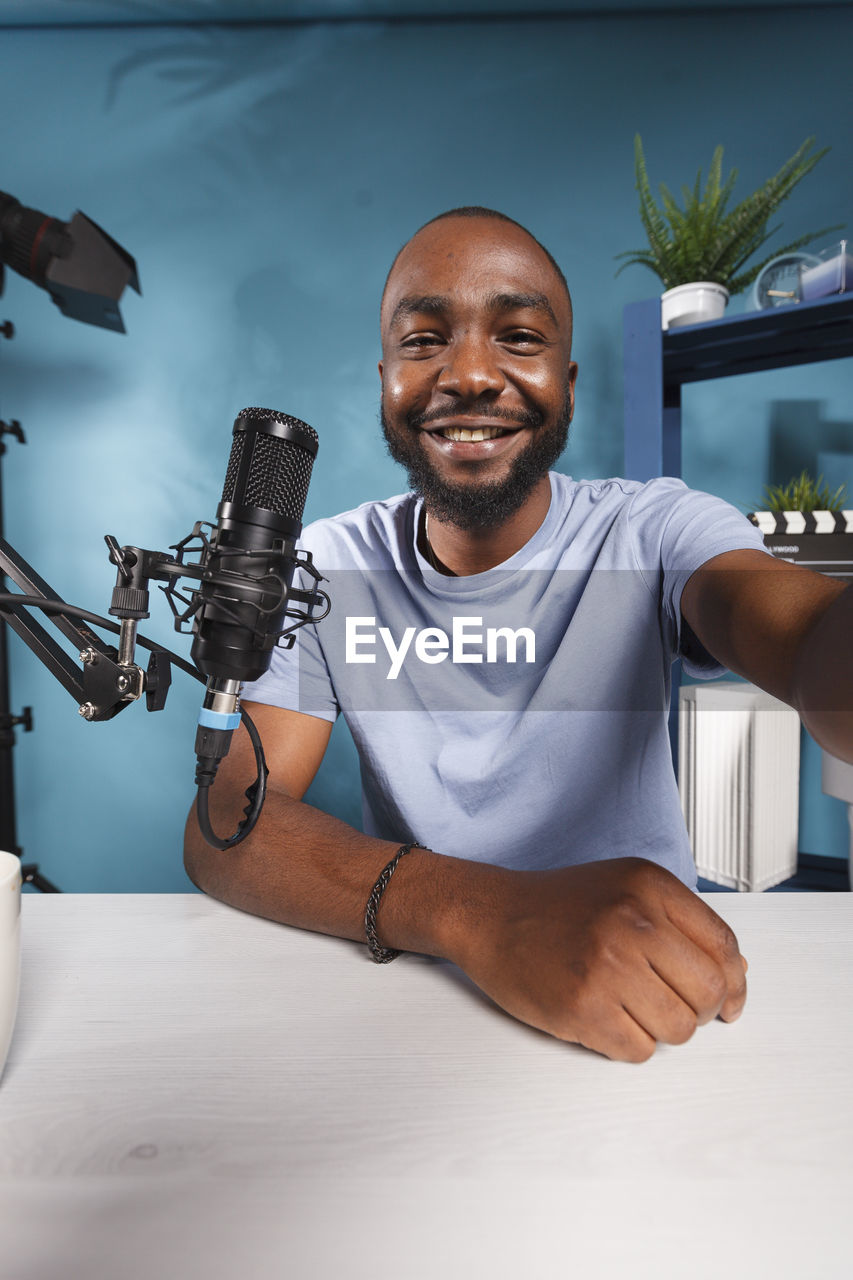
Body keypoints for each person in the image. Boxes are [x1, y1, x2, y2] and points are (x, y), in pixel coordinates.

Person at [184, 207, 853, 1063]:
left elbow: (803, 637)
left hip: (657, 1007)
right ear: (383, 380)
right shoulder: (325, 567)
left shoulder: (652, 530)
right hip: (422, 993)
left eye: (519, 336)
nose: (468, 373)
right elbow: (225, 822)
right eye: (425, 341)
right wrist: (480, 914)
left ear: (568, 382)